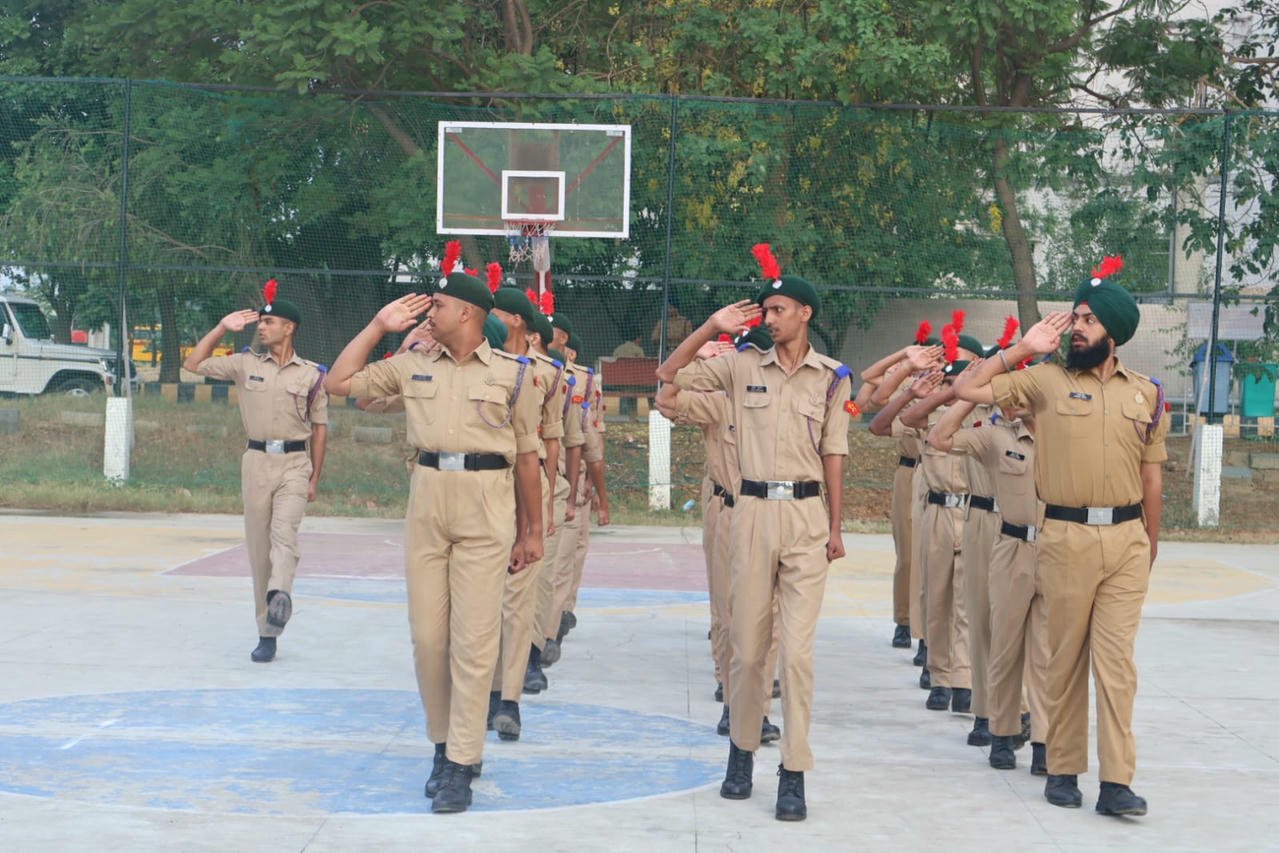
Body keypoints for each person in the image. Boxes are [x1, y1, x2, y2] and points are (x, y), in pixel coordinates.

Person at [325, 263, 543, 815]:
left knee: (474, 642)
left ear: (467, 312)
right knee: (428, 640)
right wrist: (379, 326)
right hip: (427, 502)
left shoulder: (515, 375)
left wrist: (532, 531)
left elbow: (527, 458)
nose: (429, 311)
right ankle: (443, 743)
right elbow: (338, 383)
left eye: (439, 304)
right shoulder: (412, 365)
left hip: (485, 505)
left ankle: (460, 763)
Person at [953, 257, 1167, 816]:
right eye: (1075, 317)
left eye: (1089, 320)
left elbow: (1151, 477)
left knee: (1117, 667)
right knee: (1065, 660)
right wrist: (1022, 349)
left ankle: (1116, 782)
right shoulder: (1045, 381)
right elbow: (967, 386)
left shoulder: (1146, 394)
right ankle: (1064, 768)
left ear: (1114, 332)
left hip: (1126, 541)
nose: (1076, 327)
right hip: (1066, 536)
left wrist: (1150, 543)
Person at [658, 247, 851, 822]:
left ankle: (794, 771)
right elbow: (669, 377)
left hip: (806, 518)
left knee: (797, 657)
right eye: (765, 310)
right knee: (746, 652)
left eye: (779, 309)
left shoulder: (832, 377)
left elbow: (834, 452)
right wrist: (710, 328)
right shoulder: (741, 367)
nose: (769, 318)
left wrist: (836, 527)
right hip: (750, 515)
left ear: (805, 314)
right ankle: (741, 752)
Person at [183, 281, 327, 664]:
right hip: (256, 462)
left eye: (269, 322)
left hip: (295, 463)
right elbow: (192, 364)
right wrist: (221, 327)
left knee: (284, 536)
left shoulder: (312, 375)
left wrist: (314, 477)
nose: (261, 327)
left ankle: (280, 595)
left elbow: (320, 428)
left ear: (289, 328)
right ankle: (268, 633)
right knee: (260, 550)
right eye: (260, 322)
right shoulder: (245, 364)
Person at [655, 330, 782, 746]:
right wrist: (700, 354)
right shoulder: (720, 401)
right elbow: (666, 398)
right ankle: (731, 699)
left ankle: (758, 710)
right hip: (729, 511)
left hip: (773, 515)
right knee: (729, 612)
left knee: (770, 618)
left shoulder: (785, 402)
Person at [929, 373, 1049, 775]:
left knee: (1047, 653)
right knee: (1004, 645)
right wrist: (969, 393)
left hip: (1056, 548)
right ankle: (1002, 731)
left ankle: (1044, 742)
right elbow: (940, 437)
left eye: (1019, 394)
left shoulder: (1067, 437)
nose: (1010, 402)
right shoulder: (997, 436)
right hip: (1011, 544)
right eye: (1005, 396)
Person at [486, 284, 564, 741]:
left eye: (494, 311)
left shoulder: (547, 374)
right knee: (484, 598)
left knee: (518, 600)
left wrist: (545, 508)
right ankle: (487, 687)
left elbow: (550, 438)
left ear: (515, 319)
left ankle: (509, 699)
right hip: (488, 485)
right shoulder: (479, 364)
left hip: (529, 486)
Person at [861, 336, 945, 648]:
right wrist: (905, 361)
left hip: (943, 474)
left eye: (937, 358)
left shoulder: (953, 390)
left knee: (936, 558)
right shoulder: (908, 384)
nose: (932, 364)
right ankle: (904, 619)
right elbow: (869, 389)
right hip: (910, 471)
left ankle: (929, 630)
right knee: (908, 555)